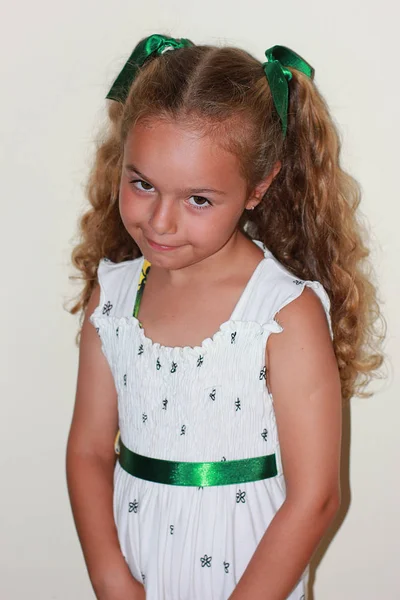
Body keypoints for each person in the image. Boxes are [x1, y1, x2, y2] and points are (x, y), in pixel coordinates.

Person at [66, 34, 385, 600]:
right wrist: (112, 578)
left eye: (198, 200)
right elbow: (90, 449)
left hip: (247, 579)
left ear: (258, 187)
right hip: (139, 570)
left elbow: (315, 498)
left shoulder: (283, 314)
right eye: (142, 185)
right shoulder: (112, 296)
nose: (161, 222)